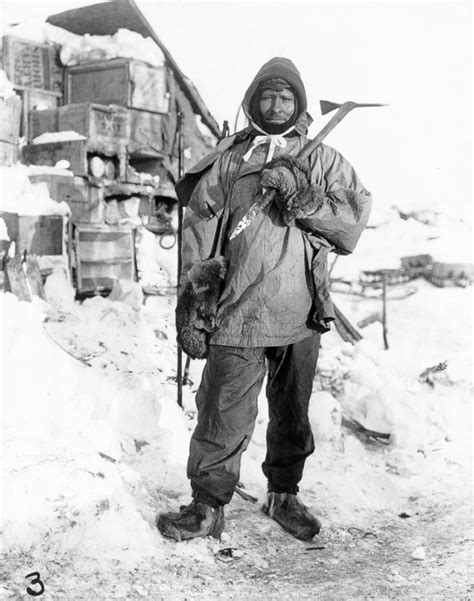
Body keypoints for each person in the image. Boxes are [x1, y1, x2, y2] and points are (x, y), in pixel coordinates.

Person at [157, 57, 372, 543]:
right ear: (254, 101)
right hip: (238, 310)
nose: (276, 105)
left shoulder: (325, 160)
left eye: (286, 97)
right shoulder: (231, 159)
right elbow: (199, 227)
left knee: (292, 410)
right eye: (268, 96)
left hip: (300, 311)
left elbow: (350, 223)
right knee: (222, 408)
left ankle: (284, 494)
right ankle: (207, 506)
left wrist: (302, 197)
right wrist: (196, 294)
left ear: (298, 104)